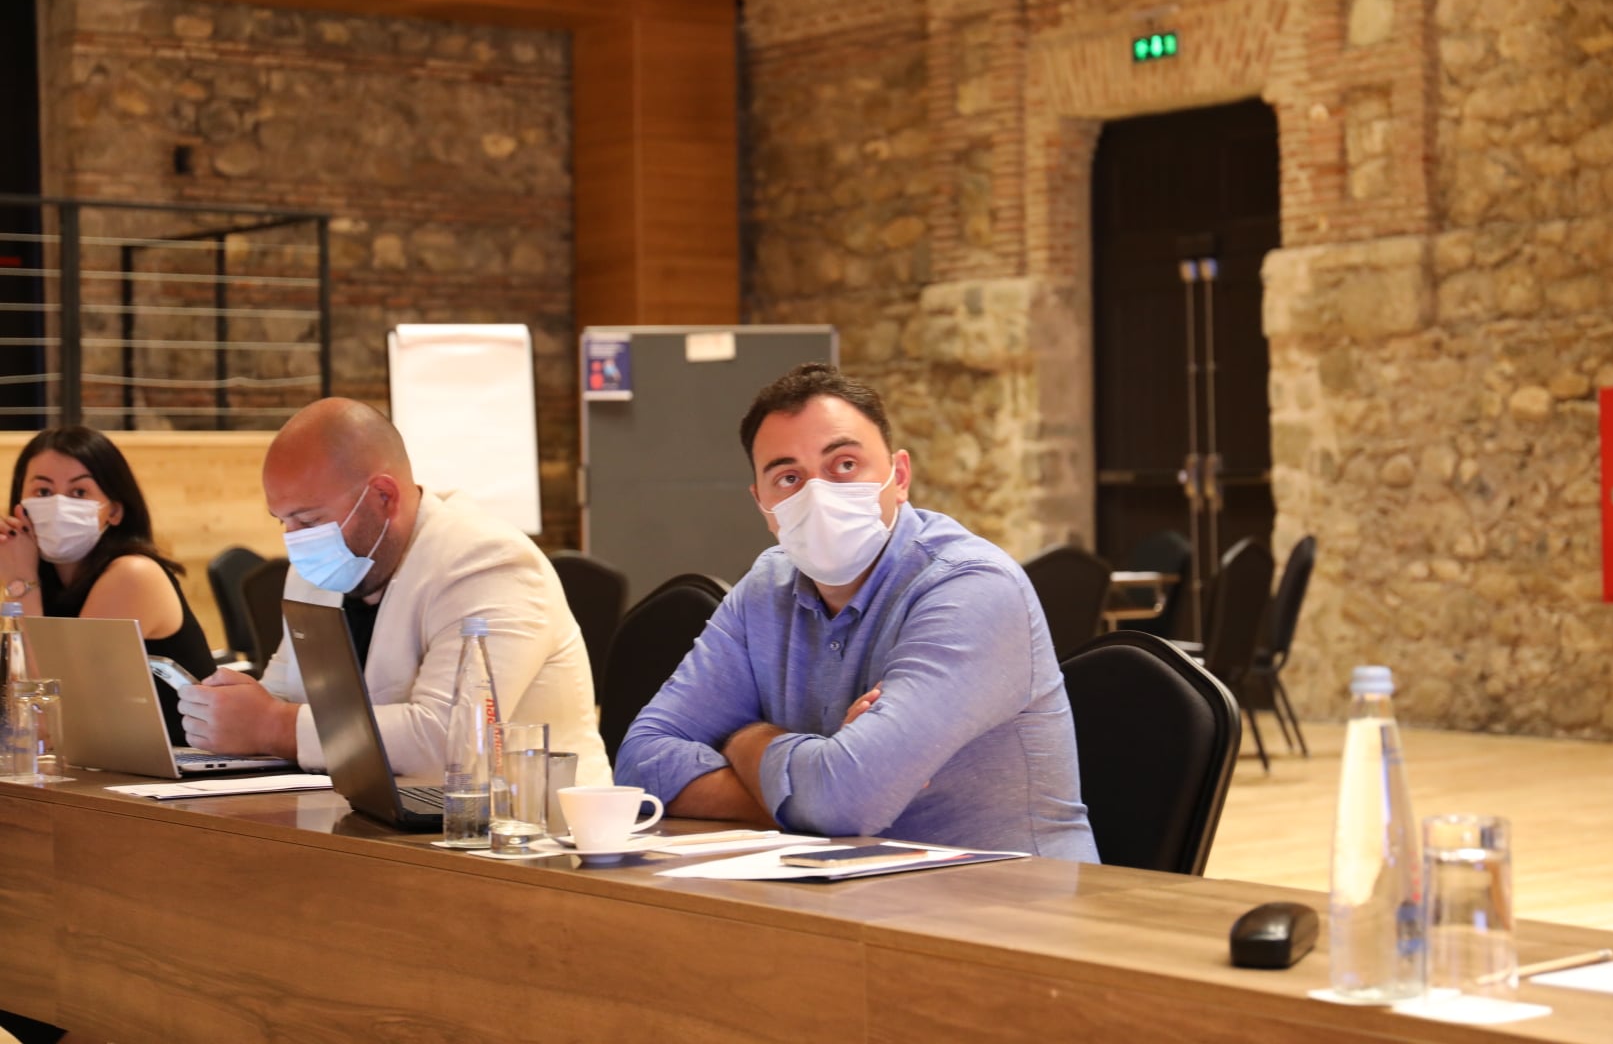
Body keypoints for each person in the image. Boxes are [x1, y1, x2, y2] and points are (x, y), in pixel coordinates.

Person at [614, 363, 1098, 860]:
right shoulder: (766, 587)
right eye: (788, 477)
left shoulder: (972, 586)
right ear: (762, 504)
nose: (817, 494)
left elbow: (844, 802)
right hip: (838, 887)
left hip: (1008, 894)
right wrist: (809, 793)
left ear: (899, 476)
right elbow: (640, 761)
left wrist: (747, 740)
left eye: (844, 465)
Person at [177, 397, 610, 784]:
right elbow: (286, 696)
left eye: (308, 521)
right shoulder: (314, 573)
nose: (295, 541)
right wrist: (229, 707)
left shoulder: (486, 563)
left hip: (526, 830)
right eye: (282, 521)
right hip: (368, 820)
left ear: (384, 496)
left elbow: (450, 741)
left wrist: (274, 727)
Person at [1, 426, 216, 745]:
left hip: (180, 768)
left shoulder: (133, 575)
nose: (59, 505)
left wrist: (21, 583)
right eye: (43, 492)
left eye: (79, 492)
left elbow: (51, 719)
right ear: (20, 506)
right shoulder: (38, 577)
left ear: (113, 510)